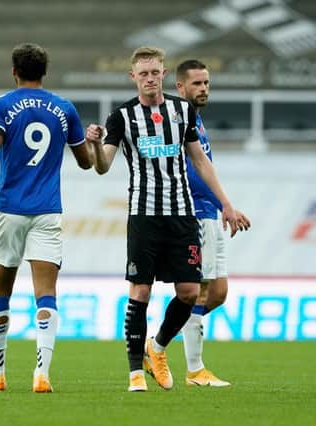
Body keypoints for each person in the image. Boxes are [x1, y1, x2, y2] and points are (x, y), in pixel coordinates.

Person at [85, 47, 250, 392]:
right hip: (144, 216)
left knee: (190, 292)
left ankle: (156, 347)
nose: (149, 79)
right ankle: (134, 374)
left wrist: (227, 204)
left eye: (155, 72)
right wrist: (95, 147)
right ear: (133, 77)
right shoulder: (122, 117)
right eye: (143, 73)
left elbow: (202, 162)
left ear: (163, 73)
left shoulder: (182, 111)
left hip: (182, 215)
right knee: (141, 291)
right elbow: (102, 167)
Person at [0, 43, 93, 393]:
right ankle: (42, 373)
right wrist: (91, 142)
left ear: (13, 71)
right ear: (45, 73)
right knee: (46, 294)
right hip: (48, 211)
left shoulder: (3, 106)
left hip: (9, 209)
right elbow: (86, 162)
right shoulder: (64, 109)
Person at [176, 59, 247, 386]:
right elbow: (189, 171)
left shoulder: (197, 121)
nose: (203, 89)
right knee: (202, 290)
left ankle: (159, 341)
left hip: (212, 210)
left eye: (206, 83)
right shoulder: (178, 121)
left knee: (218, 292)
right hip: (195, 211)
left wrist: (225, 204)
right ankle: (194, 370)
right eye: (197, 84)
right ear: (181, 87)